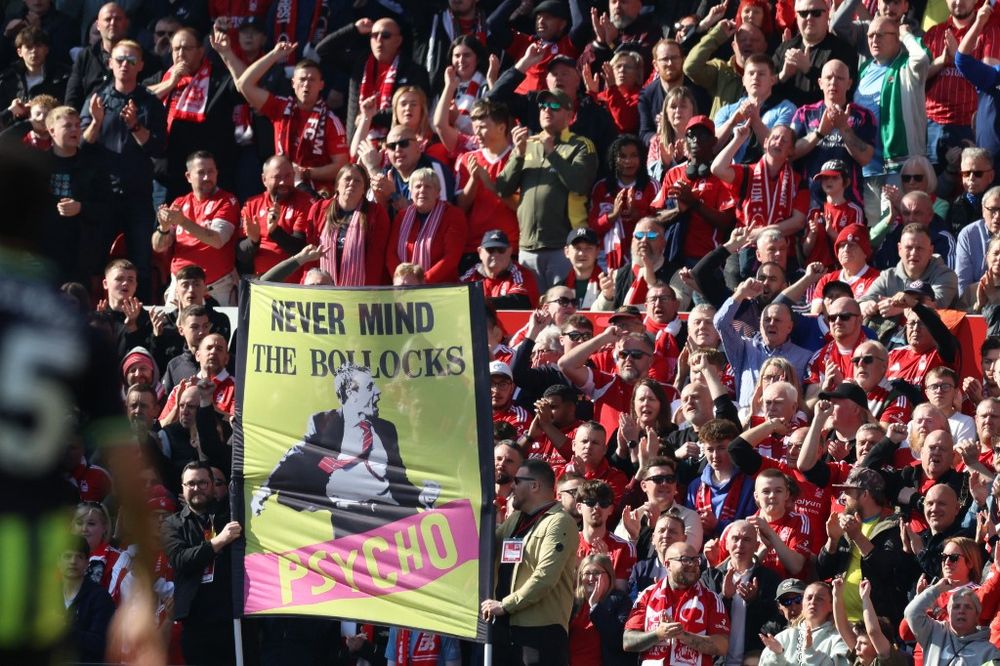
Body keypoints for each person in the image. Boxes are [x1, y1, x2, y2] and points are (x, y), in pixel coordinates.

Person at [252, 363, 439, 537]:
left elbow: (398, 481)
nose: (378, 391)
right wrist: (265, 491)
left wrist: (421, 497)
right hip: (350, 527)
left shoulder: (386, 429)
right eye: (370, 387)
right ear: (351, 392)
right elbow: (296, 455)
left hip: (394, 521)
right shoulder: (323, 423)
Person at [80, 38, 166, 301]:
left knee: (141, 262)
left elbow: (158, 148)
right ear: (110, 63)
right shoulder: (97, 98)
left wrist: (136, 127)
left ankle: (143, 316)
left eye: (131, 60)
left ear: (140, 65)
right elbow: (82, 144)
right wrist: (96, 122)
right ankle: (93, 315)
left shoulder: (150, 102)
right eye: (120, 60)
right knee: (94, 261)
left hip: (138, 195)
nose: (125, 65)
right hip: (102, 193)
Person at [495, 87, 598, 287]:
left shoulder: (580, 145)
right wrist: (518, 155)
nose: (547, 110)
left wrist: (552, 153)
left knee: (562, 302)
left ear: (570, 115)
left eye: (554, 105)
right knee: (533, 304)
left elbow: (579, 184)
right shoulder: (527, 145)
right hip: (527, 247)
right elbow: (502, 189)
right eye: (543, 105)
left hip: (564, 247)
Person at [481, 458, 580, 666]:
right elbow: (487, 547)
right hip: (505, 629)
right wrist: (484, 518)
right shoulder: (516, 519)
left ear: (534, 486)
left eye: (517, 481)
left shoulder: (559, 522)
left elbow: (544, 577)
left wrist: (505, 605)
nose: (511, 486)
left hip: (540, 635)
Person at [235, 42, 349, 196]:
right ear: (293, 83)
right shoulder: (280, 107)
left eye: (312, 80)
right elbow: (244, 84)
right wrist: (274, 55)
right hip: (281, 191)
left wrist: (304, 173)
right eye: (302, 79)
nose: (306, 84)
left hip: (315, 195)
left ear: (321, 85)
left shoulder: (331, 121)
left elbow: (341, 166)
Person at [162, 461, 241, 665]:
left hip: (233, 617)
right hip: (196, 620)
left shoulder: (231, 516)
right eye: (191, 483)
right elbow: (180, 559)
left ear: (213, 485)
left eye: (203, 483)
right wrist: (219, 542)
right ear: (182, 488)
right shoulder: (172, 524)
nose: (197, 488)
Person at [852, 19, 929, 226]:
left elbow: (922, 58)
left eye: (880, 35)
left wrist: (907, 35)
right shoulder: (865, 68)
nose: (874, 40)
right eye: (870, 35)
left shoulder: (907, 67)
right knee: (875, 228)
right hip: (869, 167)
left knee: (899, 223)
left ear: (896, 39)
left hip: (900, 166)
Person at [315, 17, 431, 140]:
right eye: (374, 35)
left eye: (385, 36)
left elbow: (412, 109)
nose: (379, 40)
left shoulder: (413, 71)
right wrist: (354, 29)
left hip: (394, 144)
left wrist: (369, 116)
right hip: (357, 143)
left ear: (398, 41)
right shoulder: (360, 62)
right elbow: (322, 51)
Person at [152, 150, 240, 306]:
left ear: (217, 173)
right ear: (188, 176)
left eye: (211, 172)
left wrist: (182, 221)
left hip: (217, 288)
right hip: (181, 286)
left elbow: (217, 240)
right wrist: (163, 229)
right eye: (201, 172)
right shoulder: (179, 203)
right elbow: (158, 247)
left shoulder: (227, 201)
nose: (207, 177)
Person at [623, 541, 730, 665]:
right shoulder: (648, 594)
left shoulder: (711, 599)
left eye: (695, 560)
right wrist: (658, 634)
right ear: (667, 564)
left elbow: (722, 646)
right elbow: (628, 641)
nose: (692, 564)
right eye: (685, 560)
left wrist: (683, 635)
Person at [791, 60, 876, 205]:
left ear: (849, 84)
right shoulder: (804, 113)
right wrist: (819, 133)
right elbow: (789, 153)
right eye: (828, 77)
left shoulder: (863, 116)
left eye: (840, 78)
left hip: (849, 203)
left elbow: (865, 158)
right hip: (809, 203)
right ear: (820, 83)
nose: (833, 82)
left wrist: (844, 128)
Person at [701, 519, 782, 665]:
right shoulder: (710, 577)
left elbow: (776, 623)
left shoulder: (769, 579)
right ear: (726, 544)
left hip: (754, 661)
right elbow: (701, 617)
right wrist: (724, 597)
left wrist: (754, 602)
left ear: (756, 546)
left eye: (746, 539)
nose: (740, 545)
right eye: (735, 538)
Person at [305, 164, 391, 286]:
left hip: (360, 288)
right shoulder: (318, 209)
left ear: (364, 189)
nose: (352, 183)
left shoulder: (376, 213)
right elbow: (310, 254)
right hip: (322, 287)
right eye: (347, 179)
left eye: (357, 181)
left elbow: (376, 258)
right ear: (337, 185)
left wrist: (368, 291)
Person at [236, 154, 314, 281]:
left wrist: (275, 231)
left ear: (294, 175)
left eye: (288, 176)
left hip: (294, 283)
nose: (283, 182)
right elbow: (241, 256)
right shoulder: (251, 204)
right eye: (277, 177)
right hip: (261, 283)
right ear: (264, 179)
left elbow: (301, 249)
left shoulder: (305, 202)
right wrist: (253, 241)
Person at [384, 166, 466, 284]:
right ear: (411, 191)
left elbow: (451, 257)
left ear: (438, 192)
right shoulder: (401, 217)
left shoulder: (453, 215)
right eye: (418, 186)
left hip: (440, 287)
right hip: (404, 287)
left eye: (428, 186)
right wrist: (401, 280)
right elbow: (391, 254)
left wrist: (422, 282)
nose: (422, 190)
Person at [772, 0, 858, 108]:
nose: (809, 18)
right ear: (796, 16)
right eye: (803, 13)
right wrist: (783, 76)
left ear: (827, 14)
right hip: (783, 116)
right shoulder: (785, 48)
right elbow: (764, 91)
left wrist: (809, 71)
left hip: (822, 116)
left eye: (816, 13)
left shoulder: (843, 50)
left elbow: (847, 94)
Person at [684, 20, 769, 118]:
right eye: (742, 40)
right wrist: (716, 35)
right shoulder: (722, 70)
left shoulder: (771, 74)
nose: (748, 43)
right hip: (721, 127)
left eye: (754, 40)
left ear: (764, 46)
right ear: (734, 46)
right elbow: (691, 68)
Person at [904, 580, 1000, 664]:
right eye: (956, 607)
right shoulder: (934, 631)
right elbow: (911, 613)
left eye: (968, 607)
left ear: (977, 615)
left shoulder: (989, 652)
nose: (961, 611)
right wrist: (937, 589)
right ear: (949, 613)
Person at [759, 581, 850, 664]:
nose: (812, 602)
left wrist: (811, 653)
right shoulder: (783, 637)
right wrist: (778, 656)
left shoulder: (840, 637)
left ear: (831, 605)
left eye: (819, 599)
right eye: (809, 598)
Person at [568, 553, 633, 666]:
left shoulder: (621, 601)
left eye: (596, 573)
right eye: (587, 573)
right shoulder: (573, 602)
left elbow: (618, 640)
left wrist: (595, 607)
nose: (591, 578)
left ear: (609, 575)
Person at [62, 535, 115, 664]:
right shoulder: (48, 595)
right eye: (68, 556)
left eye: (79, 557)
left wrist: (66, 632)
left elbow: (101, 643)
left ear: (87, 562)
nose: (73, 561)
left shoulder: (100, 598)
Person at [575, 480, 636, 591]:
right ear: (579, 507)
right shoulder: (569, 543)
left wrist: (604, 566)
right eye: (590, 502)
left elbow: (621, 594)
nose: (597, 507)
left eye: (603, 503)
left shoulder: (624, 548)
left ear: (611, 509)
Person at [460, 229, 540, 310]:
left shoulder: (521, 274)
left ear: (510, 251)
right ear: (480, 252)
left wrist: (480, 302)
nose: (496, 254)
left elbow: (521, 302)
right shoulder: (471, 276)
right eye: (490, 250)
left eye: (501, 250)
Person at [956, 185, 1000, 295]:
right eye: (993, 210)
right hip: (976, 299)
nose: (997, 216)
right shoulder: (969, 235)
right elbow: (962, 285)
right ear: (983, 210)